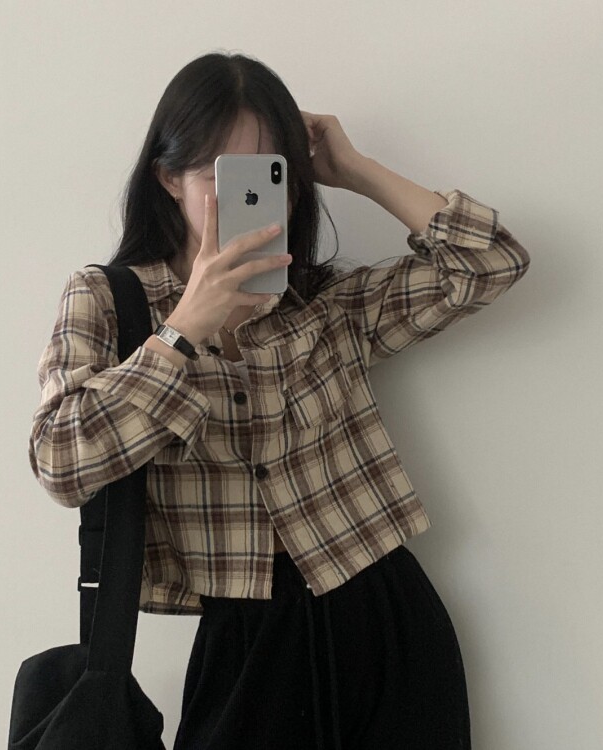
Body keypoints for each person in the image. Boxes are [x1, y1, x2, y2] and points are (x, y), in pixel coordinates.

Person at [28, 51, 531, 750]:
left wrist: (355, 169)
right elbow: (60, 461)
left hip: (385, 614)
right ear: (168, 177)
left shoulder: (322, 303)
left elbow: (492, 260)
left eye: (272, 174)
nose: (252, 196)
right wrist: (184, 330)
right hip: (245, 643)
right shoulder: (110, 301)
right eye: (221, 175)